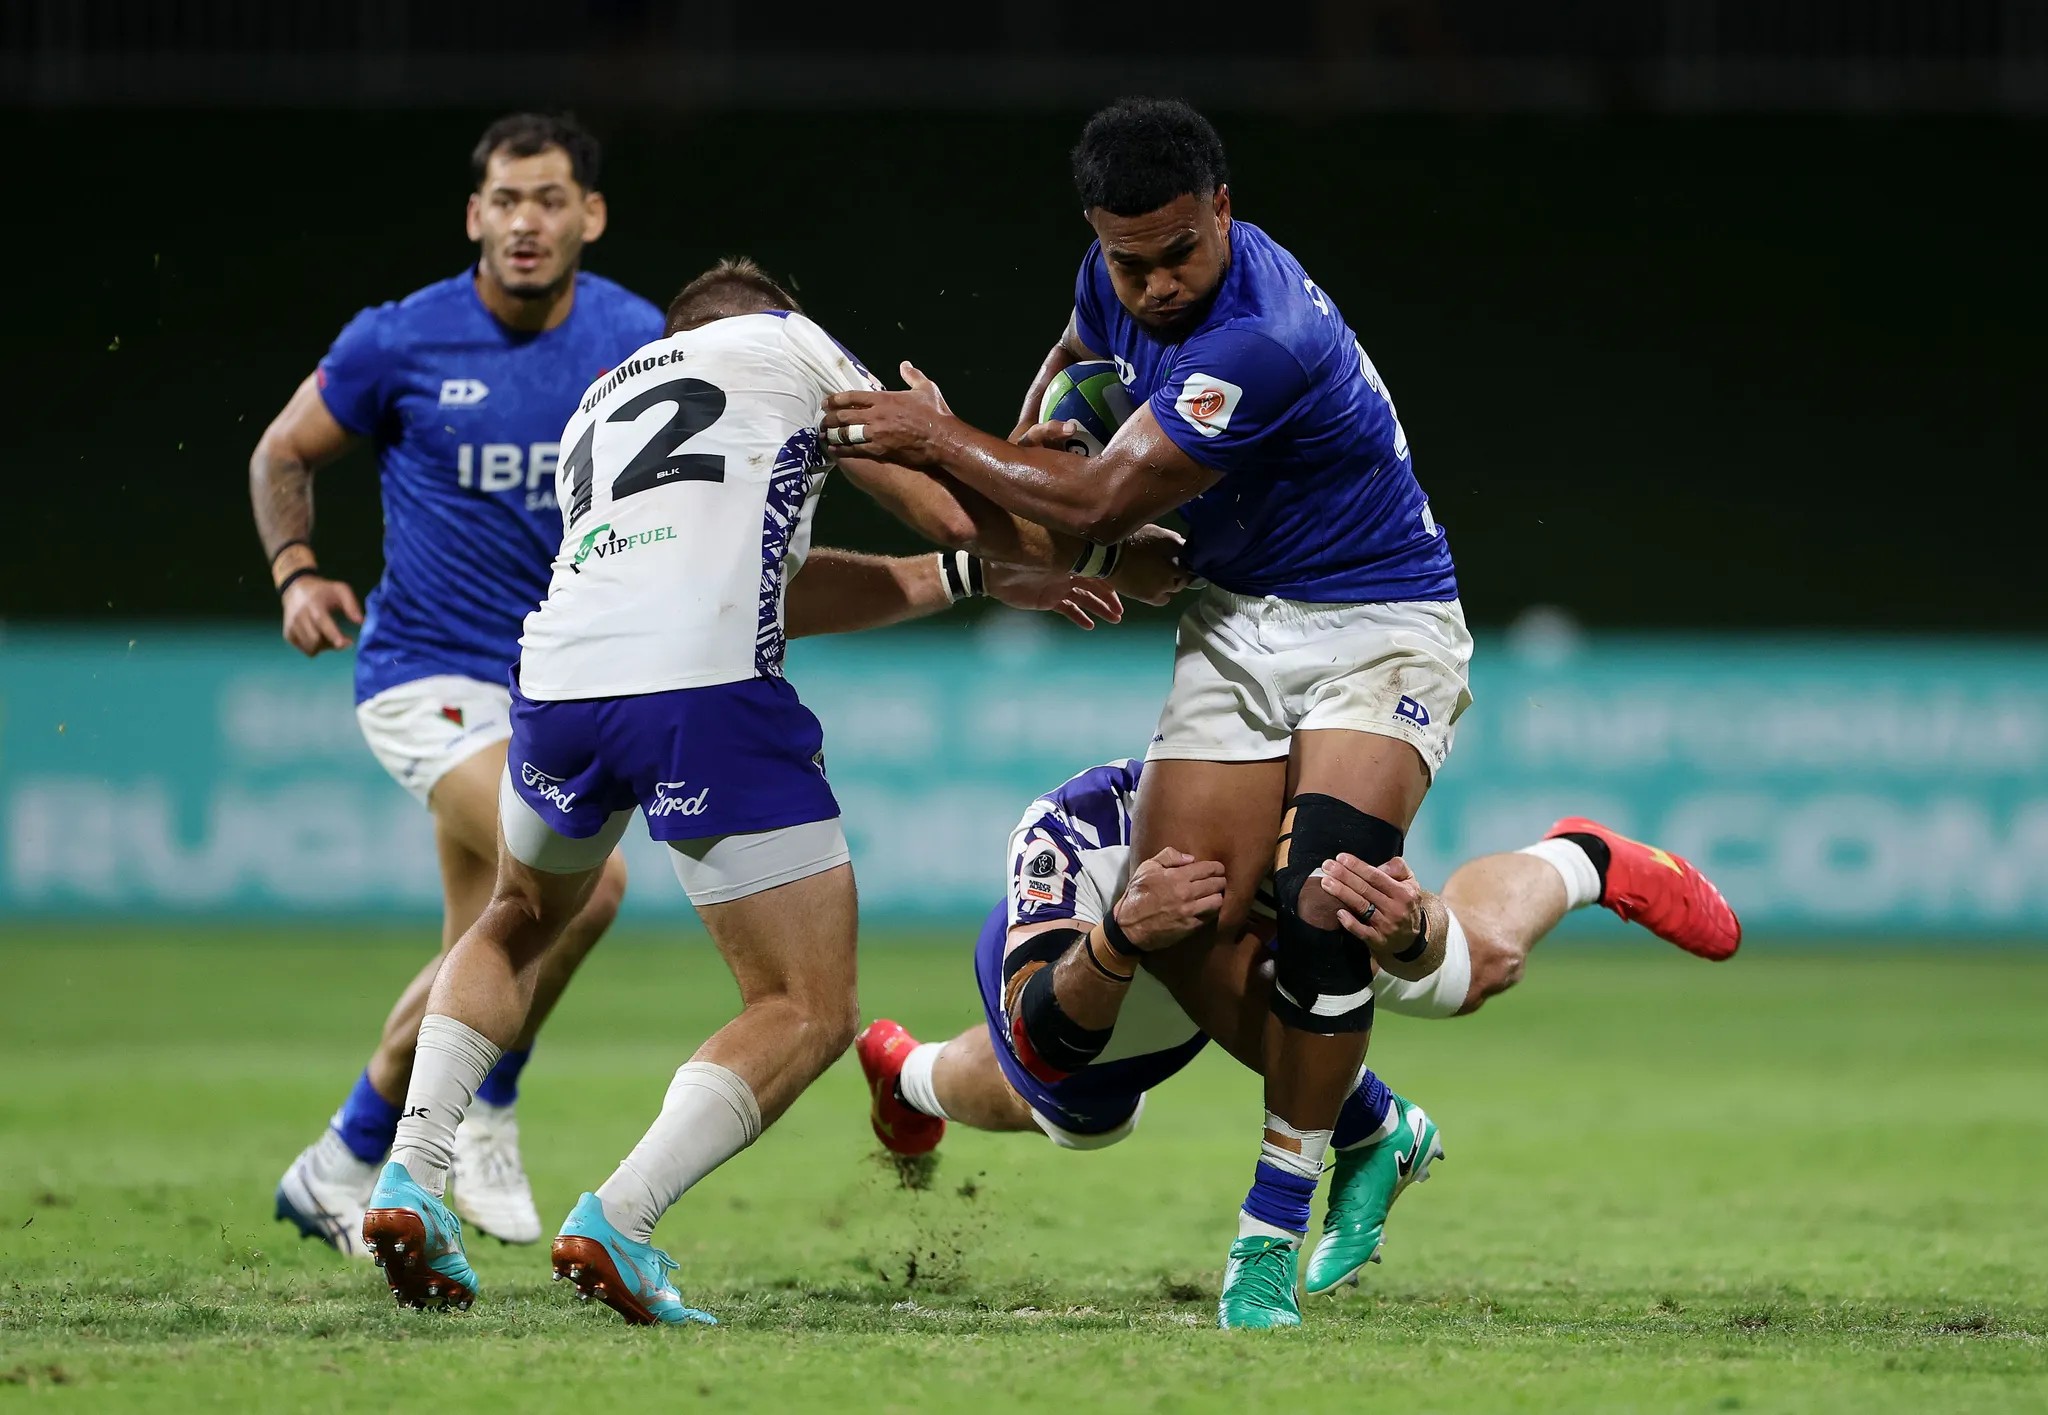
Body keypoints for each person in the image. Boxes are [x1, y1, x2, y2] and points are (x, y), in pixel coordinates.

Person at [819, 97, 1739, 1327]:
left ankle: (1268, 1225)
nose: (1147, 284)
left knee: (1331, 913)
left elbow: (1092, 500)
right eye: (1123, 256)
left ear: (1223, 211)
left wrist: (944, 438)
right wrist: (1026, 425)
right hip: (1236, 622)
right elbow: (1074, 392)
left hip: (1376, 619)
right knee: (1188, 915)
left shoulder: (1266, 337)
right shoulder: (1116, 275)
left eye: (1174, 255)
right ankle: (1497, 965)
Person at [357, 259, 1181, 1325]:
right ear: (769, 313)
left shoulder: (596, 411)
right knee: (804, 1004)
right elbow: (948, 504)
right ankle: (622, 1216)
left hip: (557, 683)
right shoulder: (785, 341)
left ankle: (410, 1170)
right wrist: (1103, 539)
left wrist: (976, 580)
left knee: (515, 915)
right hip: (702, 692)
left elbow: (775, 584)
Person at [856, 759, 1743, 1324]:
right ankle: (909, 1070)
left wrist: (1410, 935)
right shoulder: (1077, 825)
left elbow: (1423, 931)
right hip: (1083, 992)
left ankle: (1583, 856)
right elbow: (1045, 1036)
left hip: (1261, 967)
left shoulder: (1313, 831)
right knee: (1081, 1117)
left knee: (1480, 967)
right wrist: (1122, 935)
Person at [252, 113, 662, 1253]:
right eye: (503, 199)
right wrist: (294, 573)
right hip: (423, 676)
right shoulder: (403, 340)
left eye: (547, 199)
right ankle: (487, 1105)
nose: (524, 221)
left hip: (554, 688)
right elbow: (283, 449)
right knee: (593, 879)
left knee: (482, 949)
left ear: (589, 215)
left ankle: (341, 1157)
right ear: (474, 214)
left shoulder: (635, 338)